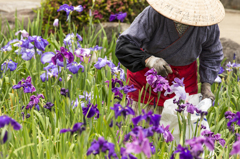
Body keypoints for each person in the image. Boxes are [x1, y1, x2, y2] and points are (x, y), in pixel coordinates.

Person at [115, 0, 225, 114]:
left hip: (183, 84)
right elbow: (124, 45)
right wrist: (149, 60)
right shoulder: (154, 14)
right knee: (141, 127)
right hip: (148, 80)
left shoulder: (206, 23)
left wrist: (206, 84)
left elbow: (212, 54)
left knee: (179, 128)